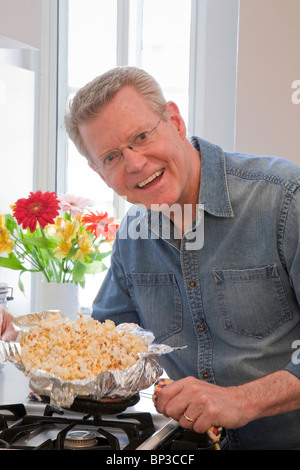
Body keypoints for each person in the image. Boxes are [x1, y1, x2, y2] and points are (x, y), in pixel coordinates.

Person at [1, 66, 300, 449]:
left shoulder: (284, 199)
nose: (135, 164)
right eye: (111, 156)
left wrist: (242, 400)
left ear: (174, 121)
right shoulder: (132, 236)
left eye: (141, 136)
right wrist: (22, 343)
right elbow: (101, 355)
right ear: (99, 172)